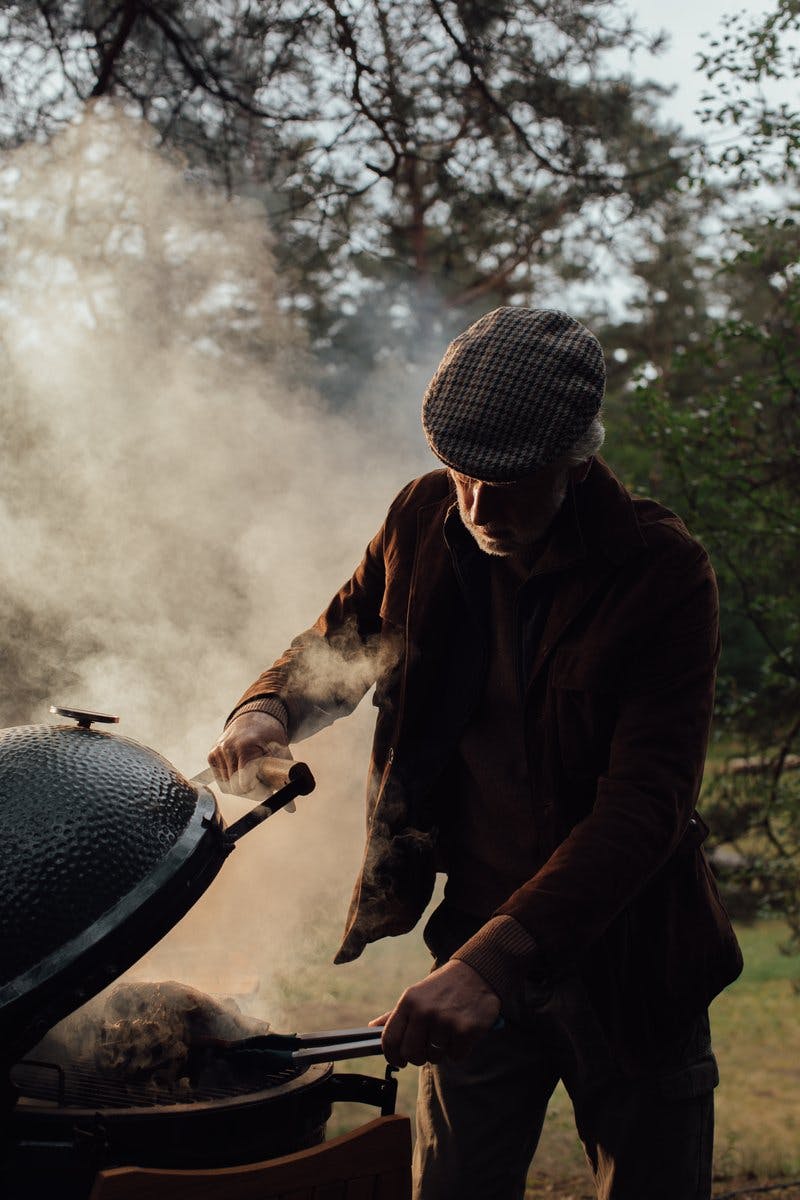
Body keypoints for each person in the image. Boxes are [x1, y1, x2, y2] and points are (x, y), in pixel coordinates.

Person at [208, 307, 743, 1200]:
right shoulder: (423, 516)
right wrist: (266, 708)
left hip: (637, 963)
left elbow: (644, 806)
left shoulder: (662, 571)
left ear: (578, 458)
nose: (479, 508)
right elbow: (338, 644)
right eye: (464, 475)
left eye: (512, 482)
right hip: (473, 944)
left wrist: (490, 965)